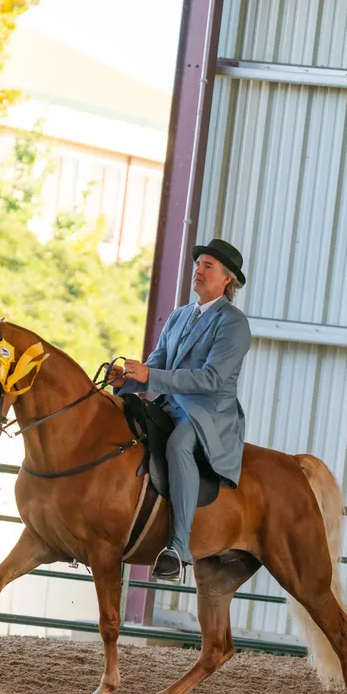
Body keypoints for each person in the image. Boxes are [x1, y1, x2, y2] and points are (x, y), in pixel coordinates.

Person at [109, 238, 251, 582]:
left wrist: (151, 374)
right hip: (171, 404)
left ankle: (178, 548)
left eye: (208, 266)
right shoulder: (179, 316)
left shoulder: (233, 323)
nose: (198, 271)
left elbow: (212, 379)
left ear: (226, 280)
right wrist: (126, 381)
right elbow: (156, 364)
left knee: (178, 445)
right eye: (197, 264)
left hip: (208, 414)